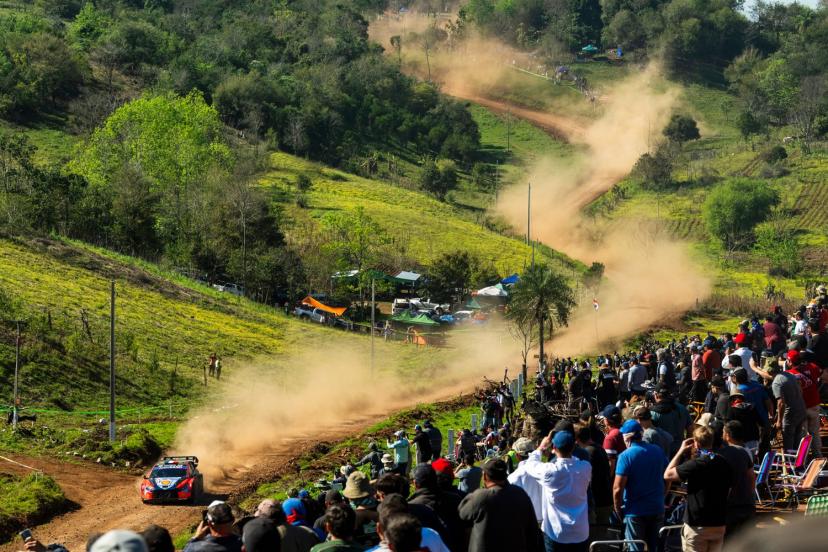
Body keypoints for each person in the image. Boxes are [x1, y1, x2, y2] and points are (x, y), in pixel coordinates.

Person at [664, 426, 733, 552]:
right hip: (718, 522)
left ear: (696, 443)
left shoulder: (695, 464)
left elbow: (667, 475)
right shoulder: (724, 462)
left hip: (697, 524)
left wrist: (680, 451)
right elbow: (729, 490)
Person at [523, 431, 592, 552]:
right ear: (574, 447)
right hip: (580, 532)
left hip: (557, 533)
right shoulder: (586, 467)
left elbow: (530, 465)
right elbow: (574, 461)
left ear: (554, 448)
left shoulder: (550, 471)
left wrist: (541, 448)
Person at [458, 458, 542, 552]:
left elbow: (462, 512)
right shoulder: (520, 493)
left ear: (485, 476)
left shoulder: (481, 497)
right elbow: (532, 528)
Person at [613, 420, 667, 552]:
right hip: (657, 508)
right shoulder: (658, 451)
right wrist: (663, 495)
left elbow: (617, 488)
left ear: (627, 438)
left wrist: (618, 510)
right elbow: (667, 477)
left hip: (635, 512)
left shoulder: (625, 456)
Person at [716, 421, 756, 539]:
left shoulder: (726, 453)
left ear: (727, 435)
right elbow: (751, 476)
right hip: (746, 503)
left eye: (723, 432)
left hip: (733, 505)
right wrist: (750, 494)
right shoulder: (744, 450)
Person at [574, 426, 613, 541]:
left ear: (577, 439)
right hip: (606, 499)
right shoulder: (599, 448)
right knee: (601, 537)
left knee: (595, 539)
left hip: (598, 502)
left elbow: (590, 480)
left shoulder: (588, 452)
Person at [785, 349, 823, 458]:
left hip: (801, 409)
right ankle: (818, 455)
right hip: (814, 404)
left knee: (803, 436)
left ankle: (803, 459)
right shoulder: (812, 367)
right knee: (814, 432)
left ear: (790, 362)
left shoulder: (788, 375)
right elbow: (822, 374)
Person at [770, 359, 806, 451]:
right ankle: (798, 462)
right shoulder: (789, 374)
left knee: (788, 441)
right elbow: (800, 390)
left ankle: (790, 462)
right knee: (797, 439)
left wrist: (779, 421)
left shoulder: (776, 382)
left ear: (769, 371)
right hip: (801, 409)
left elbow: (781, 403)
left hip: (791, 414)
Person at [507, 437, 543, 524]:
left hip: (527, 522)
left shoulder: (513, 478)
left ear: (517, 455)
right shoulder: (546, 468)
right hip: (548, 520)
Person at [650, 385, 691, 456]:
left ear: (656, 395)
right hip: (680, 450)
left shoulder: (653, 413)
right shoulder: (682, 408)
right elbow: (690, 429)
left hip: (662, 453)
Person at [598, 405, 626, 473]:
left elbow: (610, 464)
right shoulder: (625, 430)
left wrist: (608, 481)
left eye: (604, 418)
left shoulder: (610, 438)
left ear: (606, 421)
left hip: (617, 475)